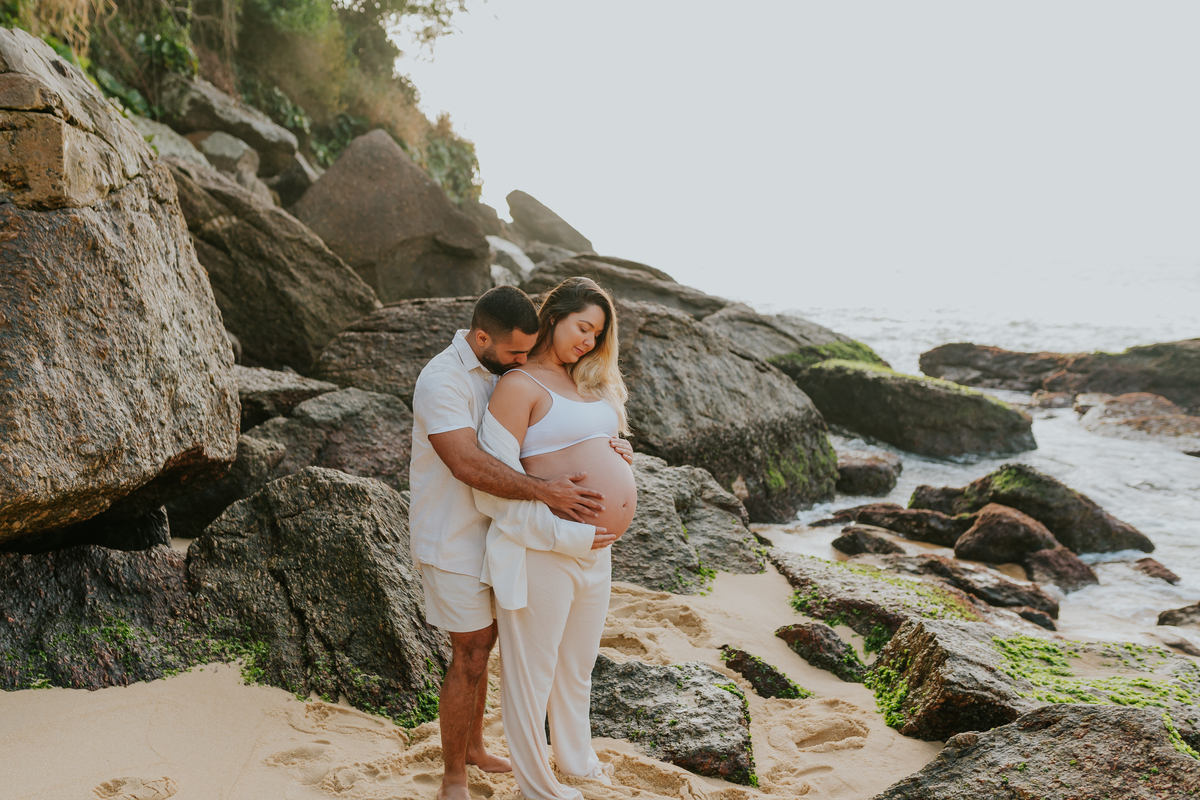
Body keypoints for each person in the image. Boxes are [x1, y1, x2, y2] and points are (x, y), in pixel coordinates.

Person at [408, 285, 633, 800]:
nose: (519, 360)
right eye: (514, 352)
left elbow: (552, 440)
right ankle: (454, 778)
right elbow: (468, 464)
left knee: (500, 650)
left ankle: (478, 749)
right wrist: (549, 495)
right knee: (472, 652)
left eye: (597, 334)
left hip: (513, 536)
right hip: (456, 536)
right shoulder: (445, 379)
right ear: (483, 339)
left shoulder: (506, 371)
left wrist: (614, 452)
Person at [477, 276, 637, 800]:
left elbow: (595, 446)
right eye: (582, 327)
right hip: (545, 549)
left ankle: (576, 760)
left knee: (577, 668)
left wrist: (621, 455)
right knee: (532, 675)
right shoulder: (520, 386)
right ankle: (537, 786)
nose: (589, 341)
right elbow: (494, 490)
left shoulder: (591, 383)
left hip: (598, 551)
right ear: (553, 318)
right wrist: (567, 533)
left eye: (598, 334)